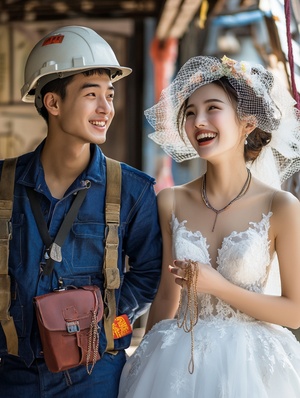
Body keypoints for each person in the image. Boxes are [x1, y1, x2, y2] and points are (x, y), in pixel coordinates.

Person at [118, 55, 300, 397]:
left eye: (212, 108)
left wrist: (218, 286)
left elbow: (294, 312)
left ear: (247, 123)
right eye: (189, 112)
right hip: (176, 361)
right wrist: (143, 362)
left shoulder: (282, 206)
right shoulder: (169, 200)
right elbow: (166, 297)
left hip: (252, 367)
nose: (198, 121)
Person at [0, 26, 162, 398]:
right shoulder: (4, 183)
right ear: (53, 104)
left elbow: (150, 272)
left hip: (97, 376)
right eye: (92, 95)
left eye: (110, 95)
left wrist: (110, 326)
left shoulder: (133, 191)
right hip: (13, 375)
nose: (106, 108)